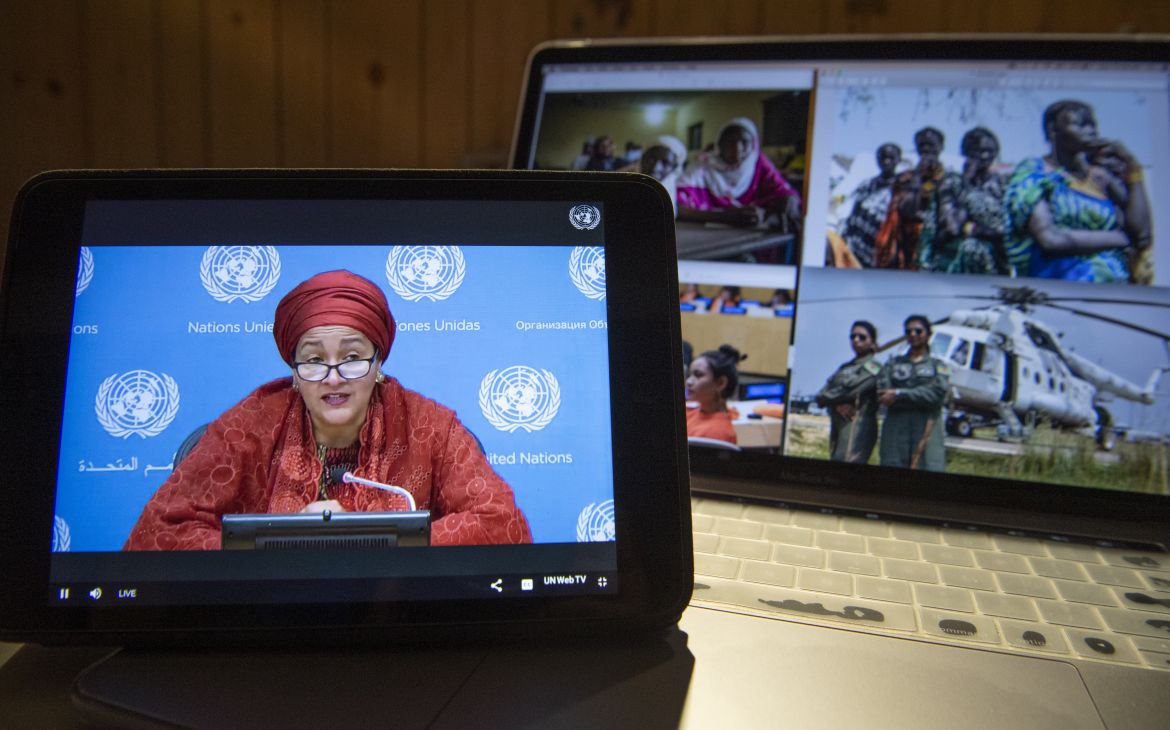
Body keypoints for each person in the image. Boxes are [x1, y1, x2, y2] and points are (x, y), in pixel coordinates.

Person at [125, 270, 532, 550]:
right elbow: (157, 533)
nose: (333, 377)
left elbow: (503, 524)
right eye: (314, 360)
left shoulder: (431, 426)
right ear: (294, 371)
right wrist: (282, 544)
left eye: (353, 357)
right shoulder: (248, 425)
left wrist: (372, 541)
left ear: (378, 366)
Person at [1003, 99, 1152, 283]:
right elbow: (1050, 239)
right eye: (1080, 124)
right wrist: (1122, 238)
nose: (1091, 130)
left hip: (1114, 293)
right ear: (1052, 129)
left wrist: (1133, 170)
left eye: (1092, 125)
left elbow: (1142, 236)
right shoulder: (1033, 173)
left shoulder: (1100, 177)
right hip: (1058, 290)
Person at [676, 117, 802, 235]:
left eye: (745, 142)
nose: (737, 148)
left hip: (752, 237)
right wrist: (726, 217)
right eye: (730, 142)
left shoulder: (759, 163)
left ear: (753, 145)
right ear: (719, 145)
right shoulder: (702, 165)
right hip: (708, 237)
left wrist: (790, 197)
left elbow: (782, 190)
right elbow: (677, 208)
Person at [921, 127, 1008, 274]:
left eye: (990, 151)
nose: (985, 156)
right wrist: (967, 183)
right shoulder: (952, 182)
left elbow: (1007, 229)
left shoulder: (1002, 185)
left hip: (995, 261)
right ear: (967, 153)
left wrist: (977, 229)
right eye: (979, 151)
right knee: (972, 248)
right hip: (954, 261)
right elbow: (953, 226)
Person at [877, 315, 950, 471]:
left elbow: (936, 395)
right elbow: (883, 394)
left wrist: (899, 393)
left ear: (928, 334)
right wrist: (921, 394)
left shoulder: (938, 366)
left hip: (927, 428)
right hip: (896, 429)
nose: (913, 335)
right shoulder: (893, 363)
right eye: (908, 331)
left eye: (918, 331)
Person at [874, 127, 947, 270]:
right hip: (908, 243)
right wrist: (918, 178)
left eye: (930, 144)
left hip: (940, 241)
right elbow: (906, 209)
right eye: (921, 145)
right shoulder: (905, 178)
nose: (926, 149)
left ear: (941, 147)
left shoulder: (950, 178)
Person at [815, 321, 881, 464]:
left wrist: (831, 399)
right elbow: (820, 395)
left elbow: (852, 390)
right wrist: (836, 405)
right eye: (853, 336)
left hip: (857, 427)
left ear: (872, 341)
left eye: (862, 337)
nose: (856, 340)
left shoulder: (874, 367)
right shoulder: (844, 367)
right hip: (838, 424)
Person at [838, 143, 902, 267]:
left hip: (884, 248)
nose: (886, 162)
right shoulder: (866, 184)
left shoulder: (902, 188)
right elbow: (853, 212)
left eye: (891, 158)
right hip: (857, 244)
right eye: (883, 157)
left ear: (898, 160)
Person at [685, 345, 746, 445]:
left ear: (720, 383)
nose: (688, 381)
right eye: (689, 375)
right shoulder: (692, 413)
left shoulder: (719, 432)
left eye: (698, 375)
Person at [640, 135, 688, 216]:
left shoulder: (682, 190)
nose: (656, 168)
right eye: (651, 159)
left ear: (675, 167)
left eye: (665, 163)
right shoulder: (624, 181)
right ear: (643, 159)